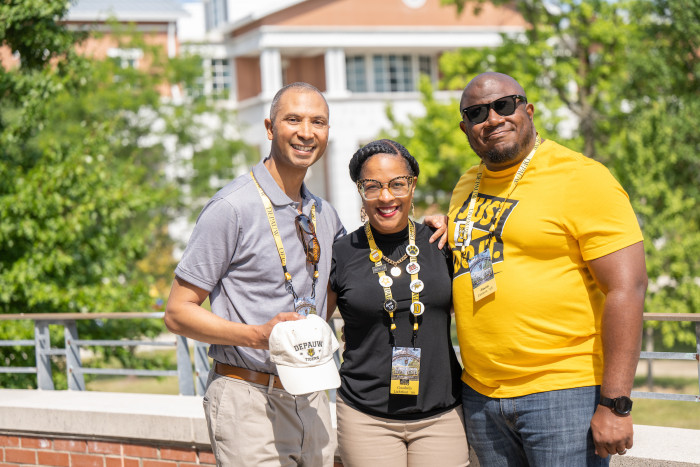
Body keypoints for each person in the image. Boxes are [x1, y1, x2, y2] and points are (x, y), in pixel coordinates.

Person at [447, 72, 648, 466]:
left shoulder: (582, 177)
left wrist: (616, 403)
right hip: (481, 395)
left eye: (504, 105)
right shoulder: (466, 185)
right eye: (477, 112)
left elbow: (628, 287)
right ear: (465, 127)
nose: (492, 118)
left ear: (528, 110)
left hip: (562, 393)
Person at [164, 82, 345, 466]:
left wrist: (428, 230)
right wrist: (257, 336)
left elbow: (342, 283)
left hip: (312, 394)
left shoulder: (324, 214)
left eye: (318, 122)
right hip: (248, 397)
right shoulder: (231, 207)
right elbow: (177, 312)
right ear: (269, 128)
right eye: (293, 119)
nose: (306, 132)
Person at [329, 139, 469, 467]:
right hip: (366, 418)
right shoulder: (342, 253)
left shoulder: (442, 242)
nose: (386, 196)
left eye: (397, 183)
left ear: (413, 184)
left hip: (442, 416)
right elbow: (314, 320)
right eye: (372, 186)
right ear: (360, 190)